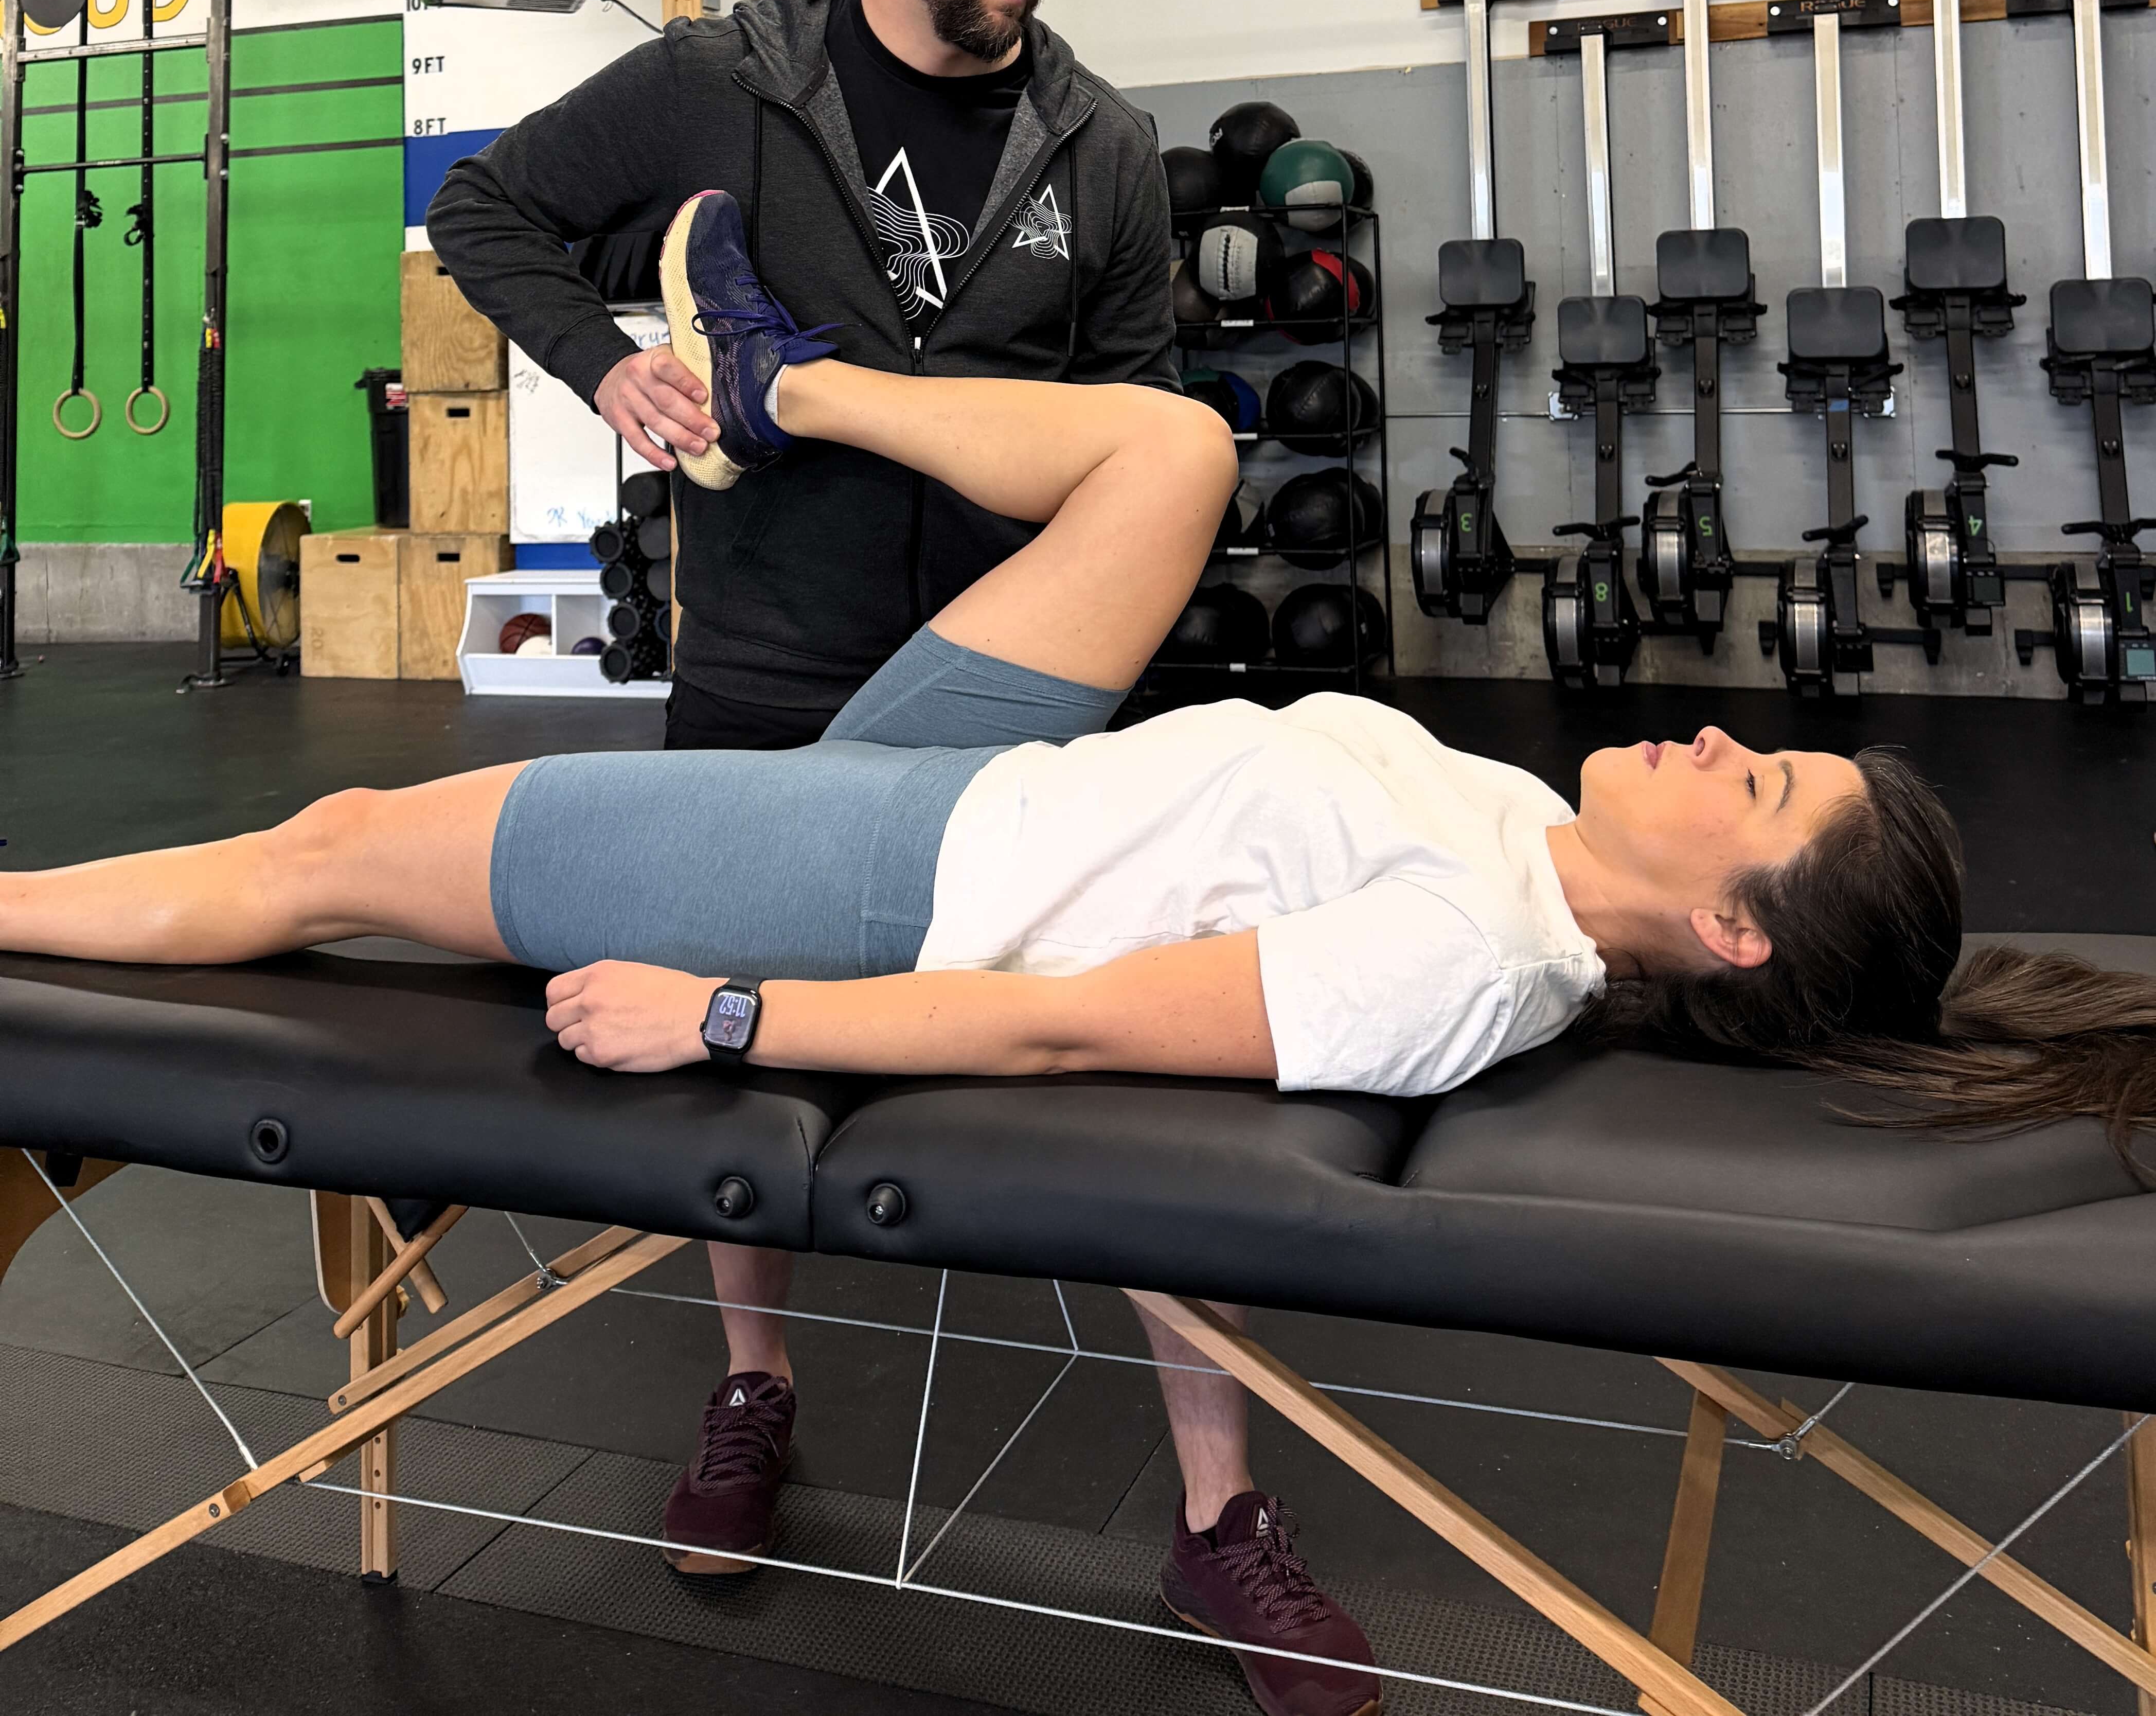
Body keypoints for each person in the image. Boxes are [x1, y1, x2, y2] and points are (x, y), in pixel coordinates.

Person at [14, 205, 2154, 1716]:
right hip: (1006, 770)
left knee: (330, 853)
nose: (1710, 735)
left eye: (1755, 789)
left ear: (1725, 929)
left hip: (892, 879)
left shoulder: (1461, 949)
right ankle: (778, 378)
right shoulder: (1547, 838)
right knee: (1177, 447)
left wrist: (729, 1011)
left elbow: (1062, 1035)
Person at [424, 0, 1189, 1609]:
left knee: (1168, 1080)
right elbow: (485, 217)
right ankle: (754, 1389)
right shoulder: (723, 83)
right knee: (723, 1053)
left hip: (1016, 680)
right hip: (770, 653)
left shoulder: (1105, 147)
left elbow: (1144, 412)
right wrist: (606, 368)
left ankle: (1220, 1493)